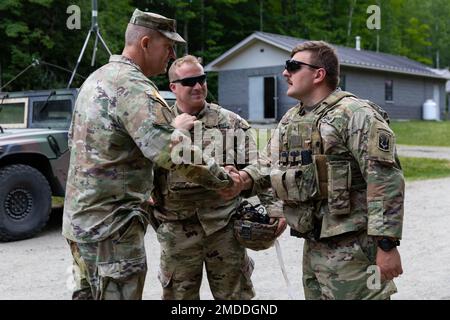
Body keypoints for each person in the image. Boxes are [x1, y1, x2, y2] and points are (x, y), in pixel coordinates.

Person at [62, 10, 237, 300]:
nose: (171, 55)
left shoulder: (95, 80)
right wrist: (225, 181)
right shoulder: (134, 87)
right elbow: (174, 153)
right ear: (145, 43)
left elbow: (81, 143)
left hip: (81, 226)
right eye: (167, 47)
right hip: (113, 231)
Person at [239, 40, 404, 299]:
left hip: (355, 249)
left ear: (319, 74)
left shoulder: (354, 114)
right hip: (314, 245)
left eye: (293, 66)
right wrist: (241, 178)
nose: (285, 73)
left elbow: (385, 179)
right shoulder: (292, 118)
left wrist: (387, 244)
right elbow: (266, 164)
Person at [152, 55, 286, 300]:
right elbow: (142, 172)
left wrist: (275, 208)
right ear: (173, 87)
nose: (197, 86)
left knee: (234, 298)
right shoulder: (159, 126)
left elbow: (261, 167)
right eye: (189, 81)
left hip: (224, 228)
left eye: (201, 79)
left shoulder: (230, 122)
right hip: (177, 231)